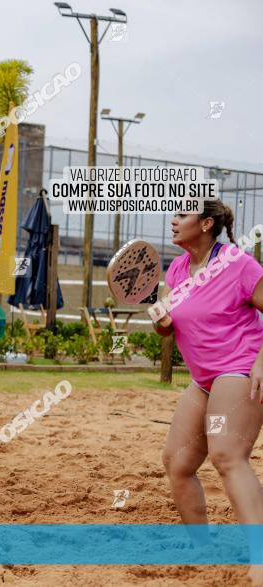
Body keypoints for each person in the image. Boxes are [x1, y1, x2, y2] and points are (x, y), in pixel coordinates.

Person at [155, 200, 263, 581]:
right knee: (177, 462)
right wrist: (161, 322)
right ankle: (202, 549)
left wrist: (262, 361)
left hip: (240, 369)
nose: (172, 221)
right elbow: (171, 328)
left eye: (181, 215)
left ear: (205, 224)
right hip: (203, 379)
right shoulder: (179, 269)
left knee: (227, 455)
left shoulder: (238, 264)